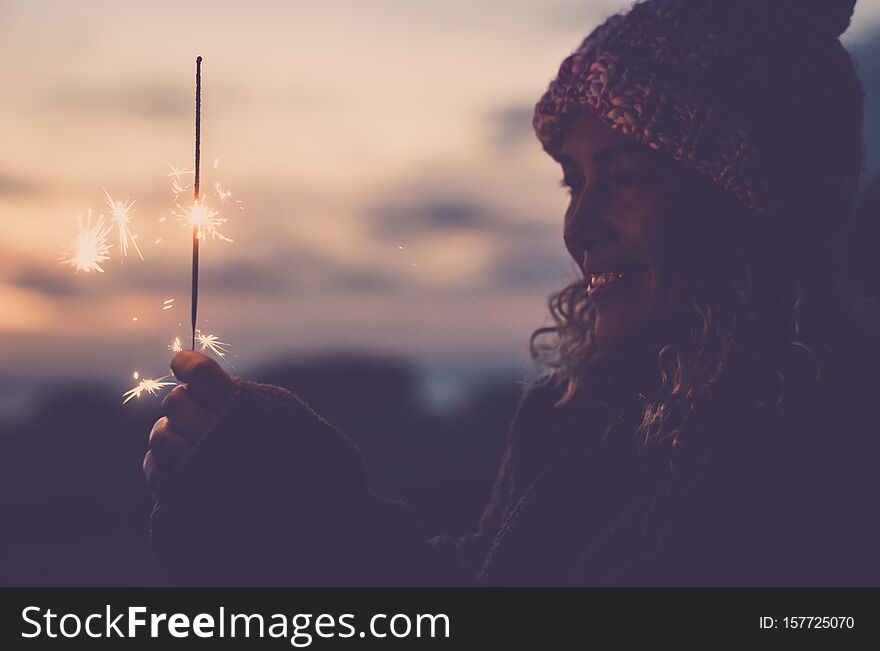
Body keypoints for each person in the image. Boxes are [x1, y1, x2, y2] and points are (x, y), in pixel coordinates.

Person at [143, 0, 880, 585]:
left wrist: (309, 501)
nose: (579, 224)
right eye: (574, 179)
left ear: (745, 204)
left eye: (624, 176)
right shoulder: (582, 417)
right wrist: (270, 497)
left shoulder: (816, 465)